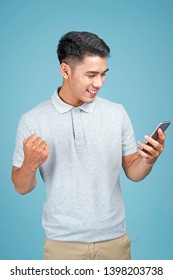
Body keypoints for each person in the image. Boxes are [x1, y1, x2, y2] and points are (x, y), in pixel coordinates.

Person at [11, 31, 165, 260]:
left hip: (115, 241)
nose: (99, 83)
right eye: (91, 75)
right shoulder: (32, 120)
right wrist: (30, 165)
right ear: (65, 70)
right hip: (62, 245)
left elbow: (133, 171)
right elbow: (21, 187)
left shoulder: (117, 113)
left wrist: (148, 160)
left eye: (103, 74)